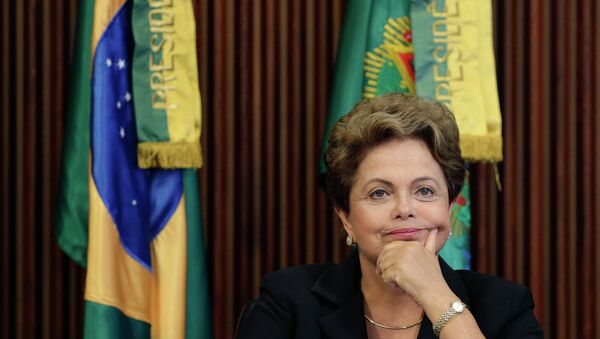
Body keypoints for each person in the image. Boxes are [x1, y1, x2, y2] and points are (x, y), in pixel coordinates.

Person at [236, 93, 543, 338]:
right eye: (379, 193)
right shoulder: (286, 305)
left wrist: (436, 297)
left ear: (449, 209)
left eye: (424, 190)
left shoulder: (505, 308)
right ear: (345, 217)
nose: (404, 209)